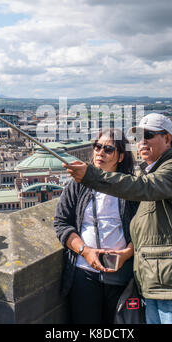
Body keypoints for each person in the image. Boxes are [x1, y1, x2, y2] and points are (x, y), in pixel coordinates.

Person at [64, 113, 172, 324]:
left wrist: (90, 175)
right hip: (156, 281)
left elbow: (142, 188)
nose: (142, 142)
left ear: (167, 139)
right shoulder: (152, 172)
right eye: (138, 137)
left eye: (148, 135)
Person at [54, 129, 139, 324]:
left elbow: (145, 230)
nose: (100, 152)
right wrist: (85, 251)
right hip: (83, 273)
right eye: (97, 147)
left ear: (121, 156)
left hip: (121, 273)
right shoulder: (77, 184)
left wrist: (126, 253)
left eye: (108, 149)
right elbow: (61, 223)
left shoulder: (130, 187)